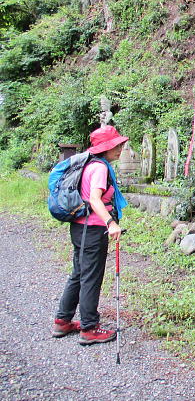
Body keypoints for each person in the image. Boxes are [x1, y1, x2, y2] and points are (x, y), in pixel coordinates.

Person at [52, 125, 129, 345]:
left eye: (120, 144)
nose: (120, 149)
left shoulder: (87, 163)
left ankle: (63, 320)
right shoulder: (100, 168)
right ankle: (89, 328)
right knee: (91, 277)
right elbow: (95, 199)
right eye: (117, 145)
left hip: (79, 226)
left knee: (78, 273)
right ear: (106, 147)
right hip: (93, 228)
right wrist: (111, 223)